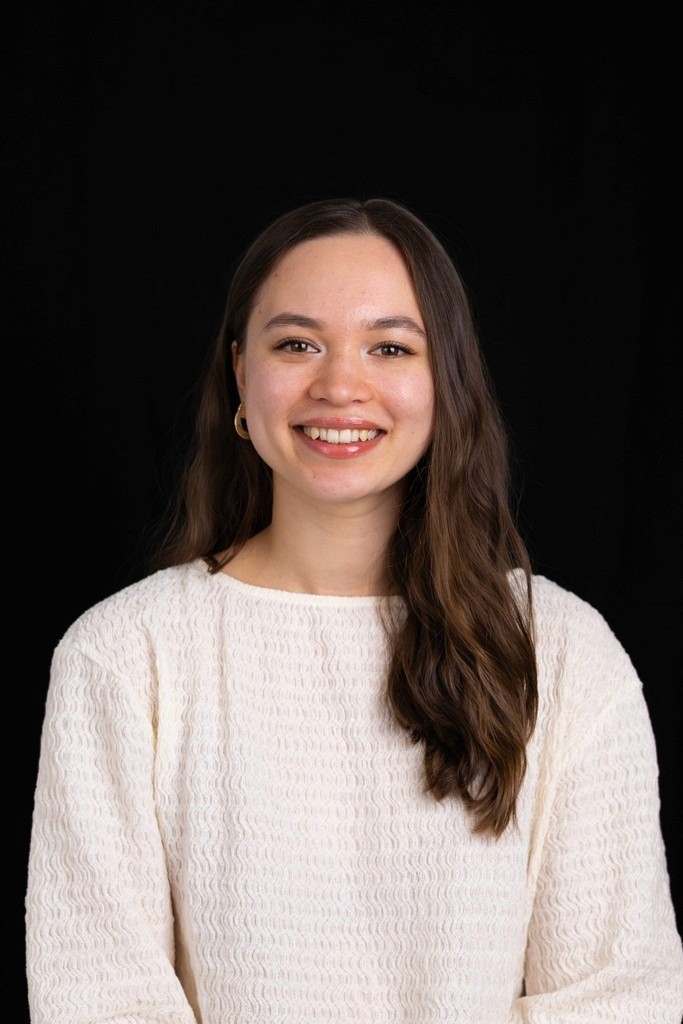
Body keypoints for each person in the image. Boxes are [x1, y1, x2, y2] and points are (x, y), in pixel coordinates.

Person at [25, 196, 683, 1023]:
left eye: (389, 347)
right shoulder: (122, 657)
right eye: (297, 344)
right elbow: (97, 997)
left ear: (445, 378)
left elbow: (620, 998)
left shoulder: (561, 653)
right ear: (239, 371)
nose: (340, 384)